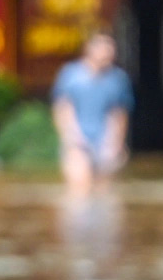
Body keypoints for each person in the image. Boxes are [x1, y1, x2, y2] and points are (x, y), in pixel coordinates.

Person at [52, 30, 133, 190]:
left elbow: (119, 113)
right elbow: (62, 109)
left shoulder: (118, 79)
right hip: (78, 139)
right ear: (89, 48)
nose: (109, 51)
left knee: (106, 193)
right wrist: (71, 139)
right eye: (104, 47)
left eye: (111, 47)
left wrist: (116, 143)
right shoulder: (70, 75)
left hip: (106, 140)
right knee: (79, 188)